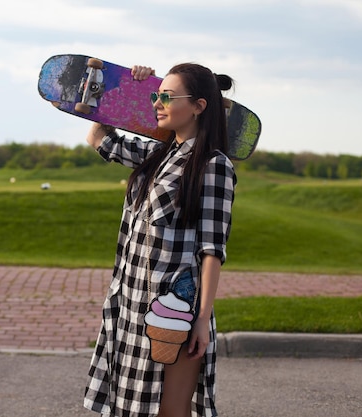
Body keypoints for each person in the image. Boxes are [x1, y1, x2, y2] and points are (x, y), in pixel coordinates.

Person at [83, 63, 237, 417]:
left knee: (170, 411)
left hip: (175, 309)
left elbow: (212, 250)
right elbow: (98, 137)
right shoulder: (158, 155)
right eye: (156, 95)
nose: (157, 103)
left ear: (199, 106)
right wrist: (133, 89)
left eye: (167, 96)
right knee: (132, 409)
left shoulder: (214, 166)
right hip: (132, 302)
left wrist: (202, 318)